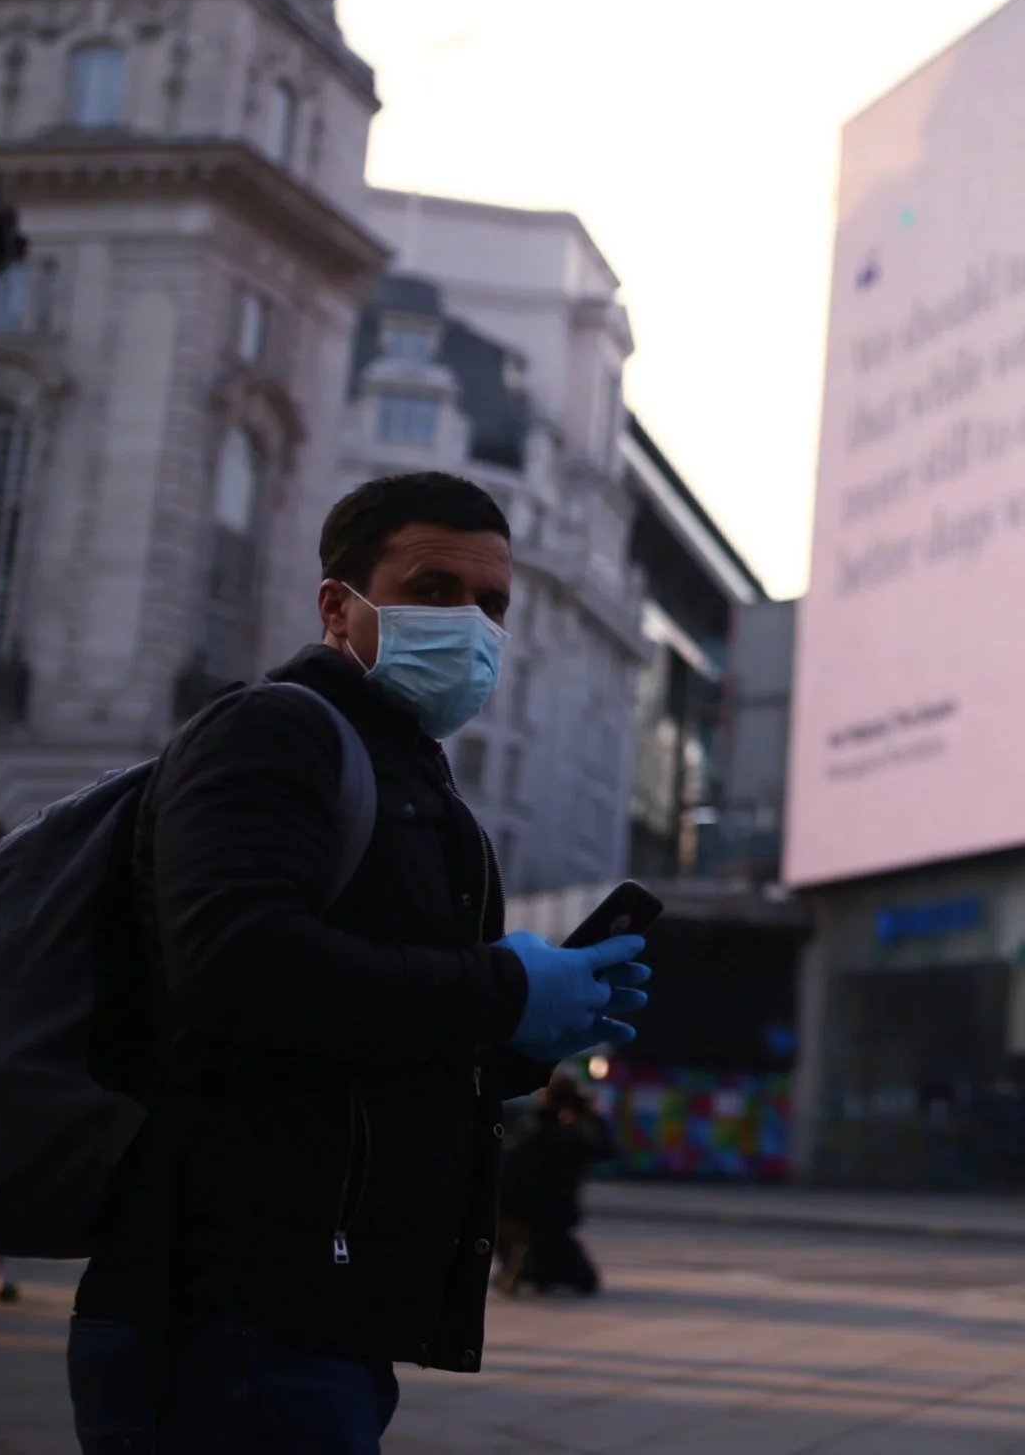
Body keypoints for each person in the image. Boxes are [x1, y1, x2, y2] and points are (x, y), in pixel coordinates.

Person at [66, 471, 651, 1454]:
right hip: (234, 1303)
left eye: (492, 603)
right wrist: (504, 988)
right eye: (432, 589)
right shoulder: (274, 731)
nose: (469, 623)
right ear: (339, 605)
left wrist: (526, 1037)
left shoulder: (413, 777)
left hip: (322, 1315)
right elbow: (238, 964)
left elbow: (378, 1035)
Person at [498, 1074, 613, 1296]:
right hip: (544, 1213)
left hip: (528, 1211)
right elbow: (604, 1149)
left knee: (555, 1261)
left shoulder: (527, 1127)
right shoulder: (561, 1134)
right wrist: (588, 1116)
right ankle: (530, 1270)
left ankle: (532, 1270)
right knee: (574, 1273)